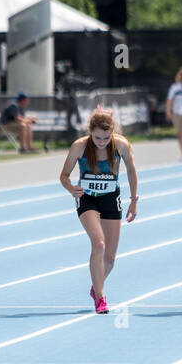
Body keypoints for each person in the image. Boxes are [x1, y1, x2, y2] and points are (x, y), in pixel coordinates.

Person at [59, 109, 139, 313]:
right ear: (90, 133)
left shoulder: (121, 145)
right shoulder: (80, 147)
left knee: (110, 259)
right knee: (99, 243)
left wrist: (133, 200)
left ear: (113, 133)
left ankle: (96, 286)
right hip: (87, 199)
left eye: (106, 137)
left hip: (111, 198)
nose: (102, 141)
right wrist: (71, 188)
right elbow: (64, 176)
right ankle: (101, 298)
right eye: (97, 137)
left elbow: (131, 170)